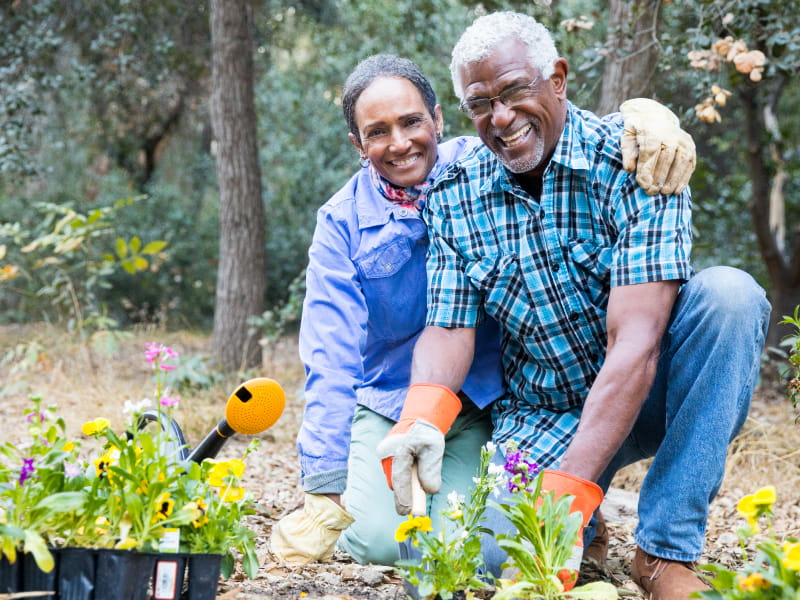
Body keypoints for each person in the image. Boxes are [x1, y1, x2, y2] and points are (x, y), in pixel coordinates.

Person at [376, 12, 770, 600]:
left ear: (557, 78)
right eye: (481, 104)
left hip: (650, 388)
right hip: (545, 413)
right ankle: (585, 529)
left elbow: (637, 343)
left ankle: (663, 552)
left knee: (732, 296)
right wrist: (420, 417)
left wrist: (569, 490)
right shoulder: (455, 194)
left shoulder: (637, 163)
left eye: (514, 91)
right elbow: (449, 327)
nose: (501, 118)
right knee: (481, 561)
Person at [269, 53, 698, 569]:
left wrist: (645, 116)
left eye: (411, 122)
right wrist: (326, 484)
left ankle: (604, 526)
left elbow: (551, 133)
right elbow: (330, 357)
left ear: (437, 119)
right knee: (380, 541)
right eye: (377, 132)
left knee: (473, 542)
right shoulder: (342, 224)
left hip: (489, 396)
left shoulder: (484, 160)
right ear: (358, 145)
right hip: (394, 400)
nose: (400, 142)